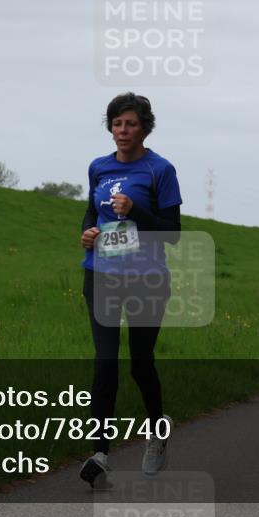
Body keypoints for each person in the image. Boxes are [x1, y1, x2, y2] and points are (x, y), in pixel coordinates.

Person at [78, 93, 182, 487]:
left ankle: (157, 433)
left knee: (140, 362)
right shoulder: (98, 167)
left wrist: (135, 210)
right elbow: (92, 213)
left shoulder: (160, 170)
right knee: (105, 362)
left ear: (145, 128)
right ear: (110, 127)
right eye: (117, 123)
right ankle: (100, 454)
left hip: (147, 278)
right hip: (101, 273)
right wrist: (88, 234)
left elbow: (172, 233)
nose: (123, 131)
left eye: (131, 124)